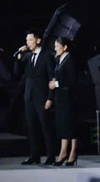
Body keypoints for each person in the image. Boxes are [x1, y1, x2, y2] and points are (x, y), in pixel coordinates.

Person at [14, 31, 57, 165]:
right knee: (31, 127)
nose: (28, 43)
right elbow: (16, 73)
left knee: (46, 126)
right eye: (27, 40)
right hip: (29, 96)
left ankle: (51, 155)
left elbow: (52, 77)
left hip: (42, 97)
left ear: (38, 41)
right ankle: (34, 155)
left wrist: (50, 98)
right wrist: (19, 57)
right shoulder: (27, 56)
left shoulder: (47, 56)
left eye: (31, 40)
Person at [48, 36, 80, 166]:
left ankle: (72, 152)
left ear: (65, 47)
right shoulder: (59, 59)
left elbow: (72, 80)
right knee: (62, 125)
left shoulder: (70, 60)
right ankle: (63, 152)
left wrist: (56, 84)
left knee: (70, 125)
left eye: (57, 46)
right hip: (60, 98)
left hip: (69, 98)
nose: (55, 48)